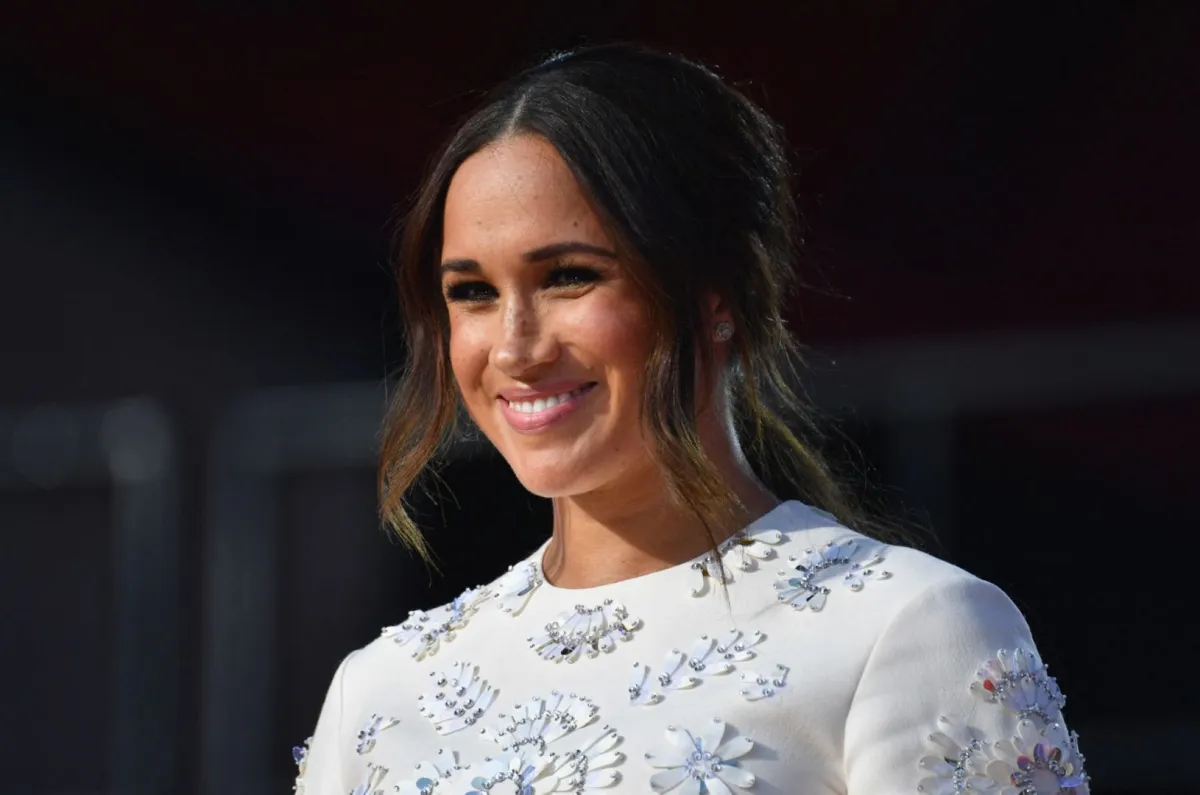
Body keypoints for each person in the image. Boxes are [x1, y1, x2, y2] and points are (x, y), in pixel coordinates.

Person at [293, 43, 1090, 795]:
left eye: (569, 276)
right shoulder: (382, 691)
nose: (515, 346)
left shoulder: (905, 631)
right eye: (472, 292)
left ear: (722, 298)